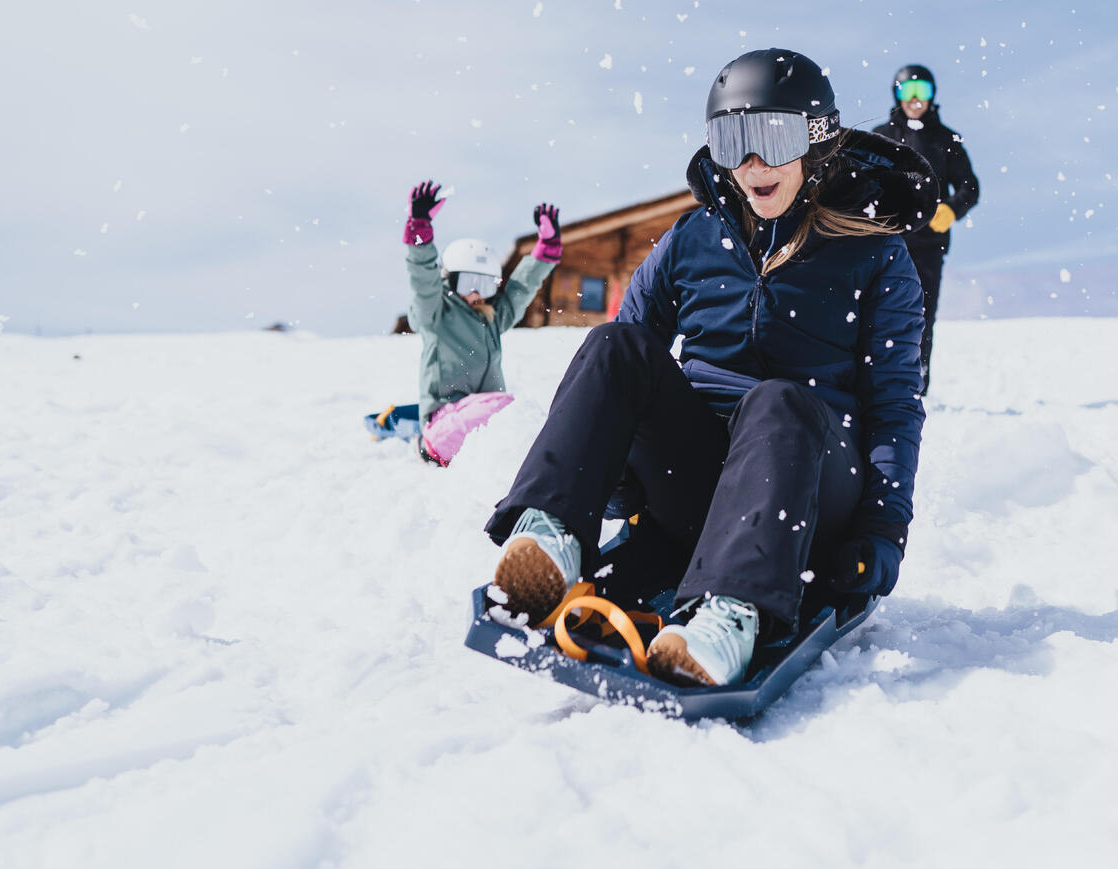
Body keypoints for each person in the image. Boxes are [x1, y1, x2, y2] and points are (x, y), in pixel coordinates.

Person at [482, 49, 934, 688]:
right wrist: (616, 472)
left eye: (771, 138)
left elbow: (894, 403)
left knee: (781, 399)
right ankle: (550, 538)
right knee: (616, 344)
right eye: (731, 140)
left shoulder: (874, 255)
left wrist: (884, 529)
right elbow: (622, 372)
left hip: (807, 490)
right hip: (696, 483)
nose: (752, 164)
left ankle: (731, 611)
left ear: (817, 141)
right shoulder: (693, 239)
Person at [403, 181, 561, 466]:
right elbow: (422, 281)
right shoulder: (435, 312)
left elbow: (521, 288)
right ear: (449, 279)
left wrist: (545, 249)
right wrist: (420, 230)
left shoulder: (492, 318)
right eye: (469, 282)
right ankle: (425, 447)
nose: (477, 292)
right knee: (505, 408)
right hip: (444, 424)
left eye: (486, 284)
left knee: (513, 419)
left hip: (486, 425)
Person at [872, 63, 980, 393]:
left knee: (921, 314)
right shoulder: (882, 137)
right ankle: (876, 380)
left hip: (930, 245)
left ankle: (917, 385)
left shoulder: (946, 139)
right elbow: (864, 182)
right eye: (909, 91)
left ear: (933, 96)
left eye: (924, 92)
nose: (916, 99)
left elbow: (970, 187)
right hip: (888, 241)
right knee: (880, 312)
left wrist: (951, 208)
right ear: (897, 94)